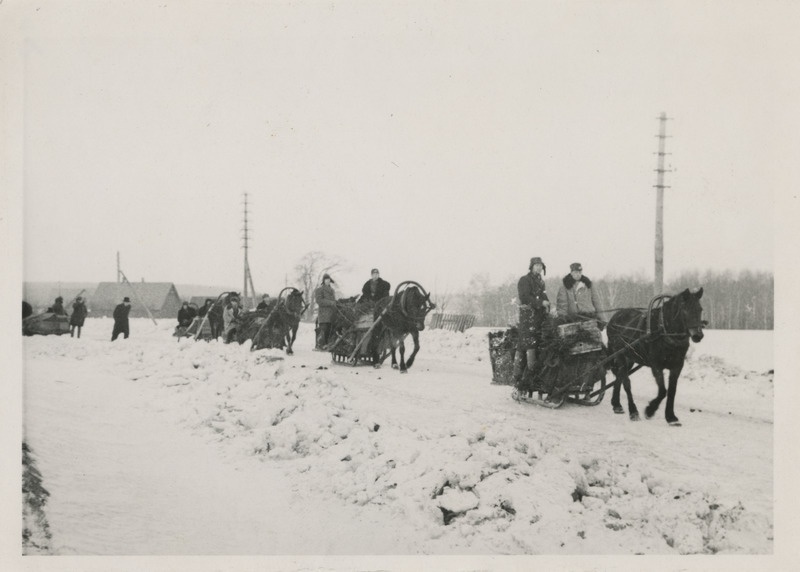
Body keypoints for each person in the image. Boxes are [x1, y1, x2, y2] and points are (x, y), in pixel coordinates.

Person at [513, 257, 550, 383]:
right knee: (529, 344)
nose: (539, 268)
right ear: (531, 267)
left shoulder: (541, 281)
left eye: (541, 266)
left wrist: (548, 305)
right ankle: (522, 379)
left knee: (539, 343)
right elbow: (524, 297)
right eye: (536, 265)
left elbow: (544, 296)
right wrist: (541, 302)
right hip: (528, 318)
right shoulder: (525, 280)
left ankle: (535, 375)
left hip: (539, 317)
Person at [314, 273, 337, 349]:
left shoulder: (332, 290)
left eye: (328, 279)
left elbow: (334, 301)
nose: (327, 281)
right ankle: (321, 344)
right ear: (323, 281)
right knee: (324, 329)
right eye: (326, 279)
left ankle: (328, 344)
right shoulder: (319, 290)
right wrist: (331, 303)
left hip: (332, 313)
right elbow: (319, 301)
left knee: (331, 329)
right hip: (323, 314)